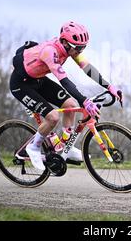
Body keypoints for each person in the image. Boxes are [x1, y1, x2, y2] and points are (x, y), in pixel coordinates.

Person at [9, 21, 122, 170]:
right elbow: (65, 82)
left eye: (83, 48)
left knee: (71, 105)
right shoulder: (50, 51)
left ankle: (64, 147)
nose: (80, 52)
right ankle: (34, 148)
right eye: (78, 48)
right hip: (21, 85)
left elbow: (87, 69)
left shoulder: (70, 49)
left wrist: (109, 86)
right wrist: (85, 101)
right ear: (65, 42)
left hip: (39, 80)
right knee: (53, 117)